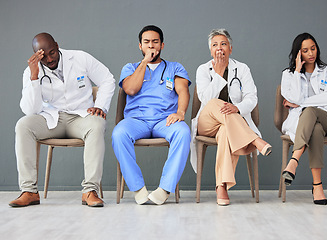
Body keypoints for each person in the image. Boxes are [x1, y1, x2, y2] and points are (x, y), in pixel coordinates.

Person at [10, 33, 115, 208]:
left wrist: (101, 106)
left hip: (81, 117)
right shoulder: (31, 71)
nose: (50, 59)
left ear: (57, 46)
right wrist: (34, 77)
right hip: (52, 120)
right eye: (44, 55)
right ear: (36, 55)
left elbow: (107, 79)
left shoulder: (80, 58)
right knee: (23, 125)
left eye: (53, 52)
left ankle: (90, 191)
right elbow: (31, 110)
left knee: (97, 123)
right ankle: (29, 191)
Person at [190, 29, 272, 206]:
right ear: (210, 51)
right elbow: (204, 99)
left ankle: (221, 187)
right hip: (207, 123)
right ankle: (255, 140)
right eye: (215, 45)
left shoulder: (242, 69)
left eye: (223, 44)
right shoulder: (204, 69)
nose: (219, 48)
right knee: (214, 103)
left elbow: (252, 98)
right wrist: (218, 74)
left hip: (231, 124)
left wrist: (238, 107)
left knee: (227, 131)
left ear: (231, 48)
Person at [112, 25, 191, 205]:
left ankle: (164, 189)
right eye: (146, 42)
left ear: (162, 45)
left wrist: (180, 112)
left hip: (165, 120)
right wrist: (144, 63)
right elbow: (130, 89)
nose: (151, 46)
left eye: (155, 42)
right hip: (136, 120)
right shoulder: (130, 67)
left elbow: (183, 90)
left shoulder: (174, 67)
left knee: (183, 132)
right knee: (118, 134)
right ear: (140, 46)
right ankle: (138, 189)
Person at [281, 32, 327, 205]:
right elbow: (292, 96)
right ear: (298, 53)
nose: (311, 53)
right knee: (314, 129)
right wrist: (296, 71)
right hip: (304, 125)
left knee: (310, 111)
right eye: (305, 50)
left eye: (313, 48)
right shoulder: (288, 75)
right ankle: (317, 185)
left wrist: (301, 104)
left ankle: (294, 161)